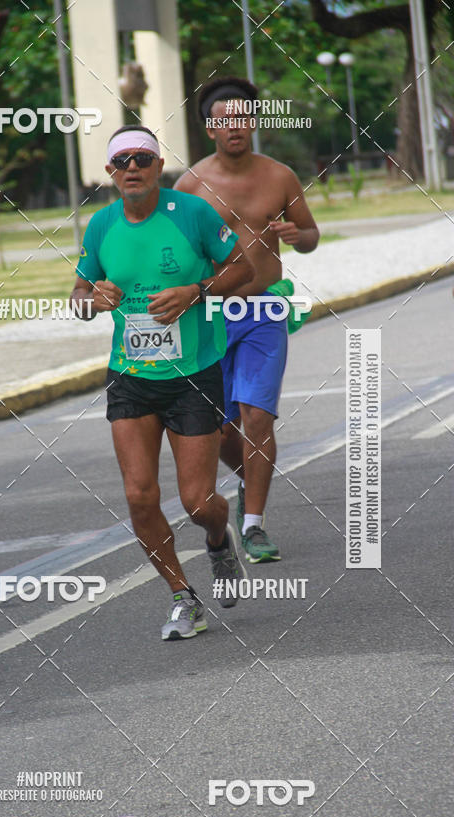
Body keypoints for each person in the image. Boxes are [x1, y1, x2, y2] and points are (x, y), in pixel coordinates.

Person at [70, 124, 254, 640]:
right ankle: (182, 597)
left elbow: (241, 266)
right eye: (122, 160)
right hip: (130, 377)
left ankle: (219, 541)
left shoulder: (191, 213)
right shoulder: (101, 226)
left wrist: (195, 291)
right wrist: (92, 303)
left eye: (142, 159)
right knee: (139, 497)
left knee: (198, 502)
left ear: (158, 167)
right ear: (110, 172)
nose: (132, 167)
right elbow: (79, 294)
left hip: (193, 373)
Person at [175, 76, 319, 563]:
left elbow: (312, 234)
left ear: (253, 122)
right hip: (211, 316)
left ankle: (254, 524)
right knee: (220, 430)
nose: (234, 126)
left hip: (263, 311)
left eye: (242, 117)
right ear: (210, 129)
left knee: (258, 416)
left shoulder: (279, 176)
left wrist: (297, 235)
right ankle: (246, 485)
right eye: (224, 120)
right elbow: (172, 252)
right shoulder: (190, 185)